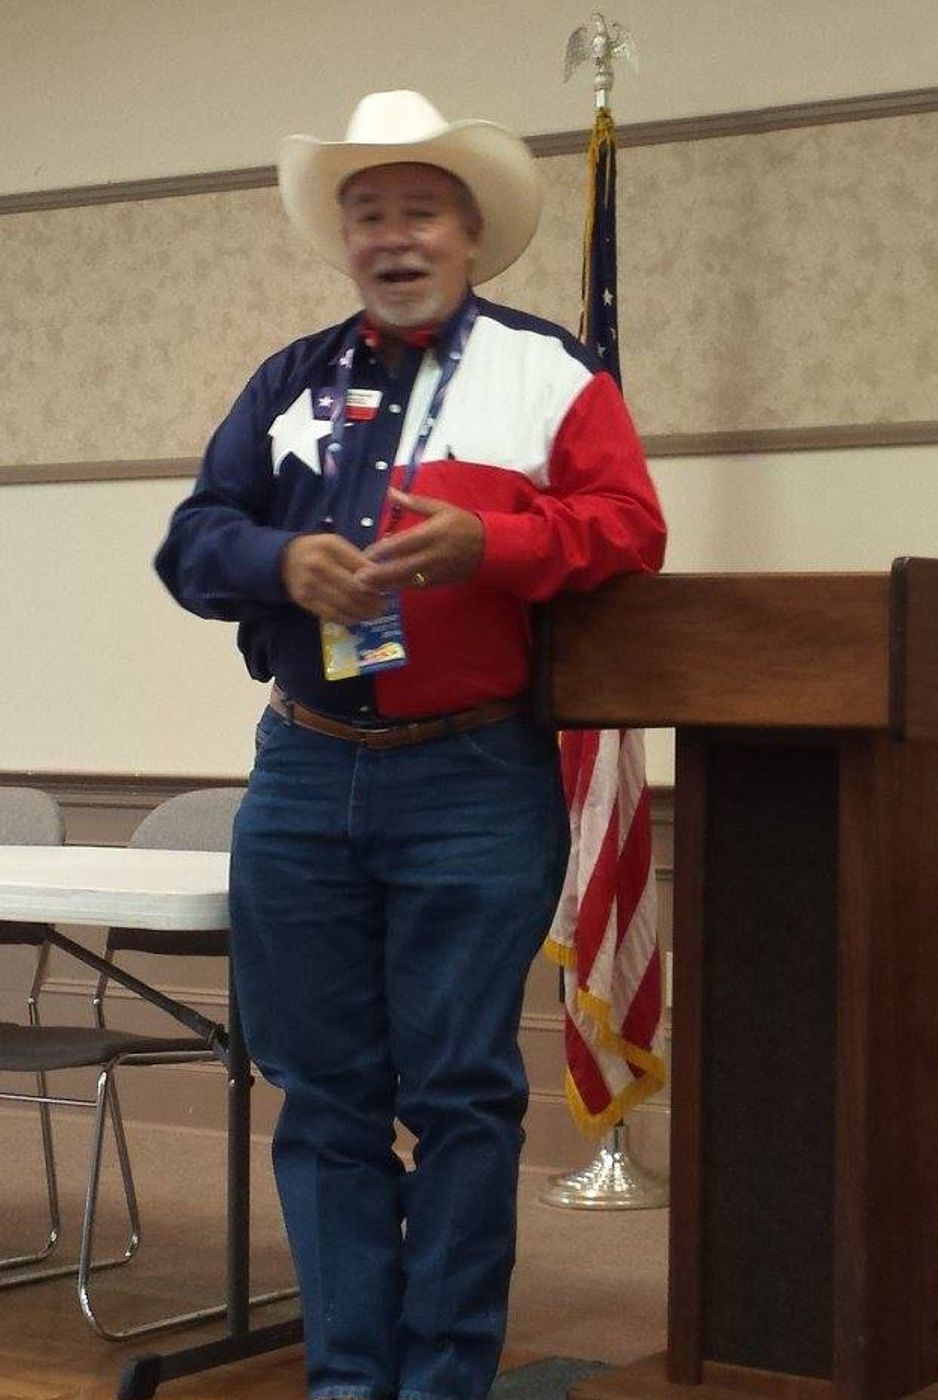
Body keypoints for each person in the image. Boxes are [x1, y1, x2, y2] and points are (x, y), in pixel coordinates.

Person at [154, 89, 666, 1400]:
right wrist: (280, 560)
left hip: (472, 778)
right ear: (345, 242)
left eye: (420, 211)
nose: (393, 235)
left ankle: (441, 1384)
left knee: (457, 1097)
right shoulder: (289, 382)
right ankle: (346, 1380)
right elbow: (194, 541)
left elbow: (629, 528)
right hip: (302, 768)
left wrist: (496, 543)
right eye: (368, 213)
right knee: (323, 1100)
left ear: (469, 233)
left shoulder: (551, 373)